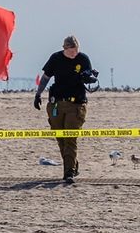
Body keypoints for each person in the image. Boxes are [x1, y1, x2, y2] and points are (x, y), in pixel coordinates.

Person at [33, 35, 95, 182]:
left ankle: (69, 173)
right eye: (72, 51)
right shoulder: (55, 58)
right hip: (56, 104)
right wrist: (38, 94)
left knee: (70, 138)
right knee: (60, 138)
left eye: (76, 50)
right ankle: (73, 165)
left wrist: (88, 78)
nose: (74, 54)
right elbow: (46, 77)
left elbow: (88, 77)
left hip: (76, 105)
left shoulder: (83, 59)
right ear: (65, 48)